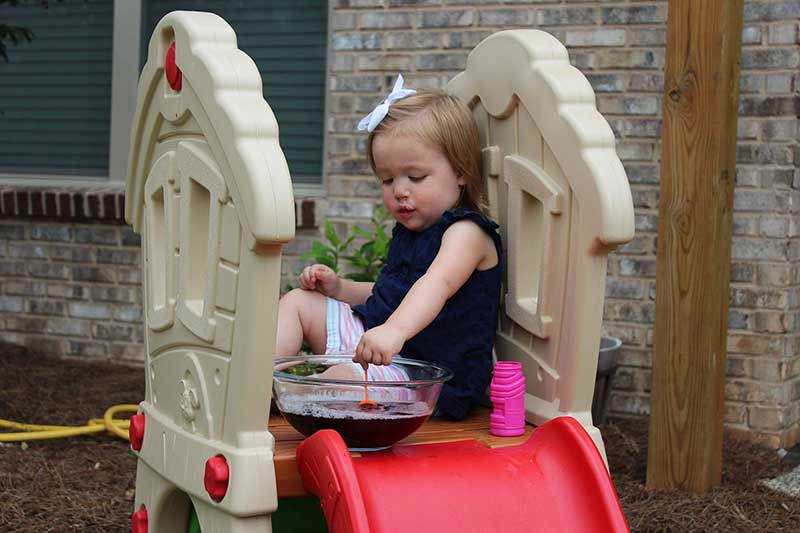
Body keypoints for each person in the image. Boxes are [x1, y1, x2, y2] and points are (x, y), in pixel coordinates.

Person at [276, 75, 502, 420]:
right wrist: (341, 288)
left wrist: (394, 331)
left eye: (415, 177)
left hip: (427, 376)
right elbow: (392, 293)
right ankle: (262, 384)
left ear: (460, 171)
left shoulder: (466, 233)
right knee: (298, 302)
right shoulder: (411, 231)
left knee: (342, 380)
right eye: (387, 179)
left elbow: (435, 285)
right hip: (381, 348)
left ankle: (288, 396)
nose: (400, 190)